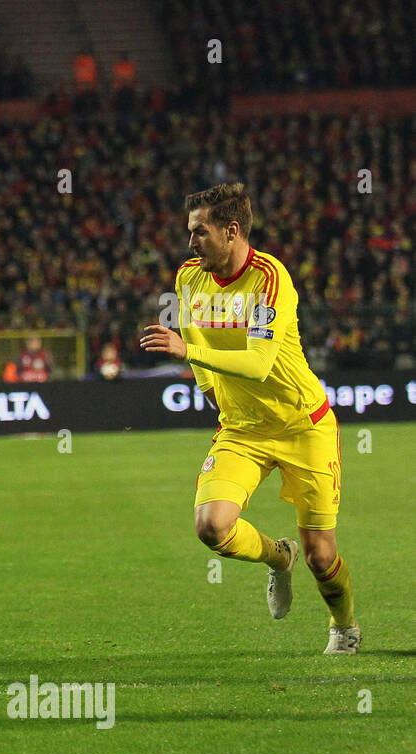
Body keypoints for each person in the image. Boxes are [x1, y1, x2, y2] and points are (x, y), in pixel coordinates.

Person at [141, 183, 358, 654]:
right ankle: (279, 559)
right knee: (211, 527)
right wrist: (209, 390)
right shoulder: (187, 278)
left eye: (200, 233)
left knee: (322, 555)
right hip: (242, 429)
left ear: (231, 231)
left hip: (304, 425)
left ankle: (344, 626)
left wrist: (186, 350)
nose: (191, 242)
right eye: (190, 232)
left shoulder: (269, 279)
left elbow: (258, 363)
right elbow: (197, 346)